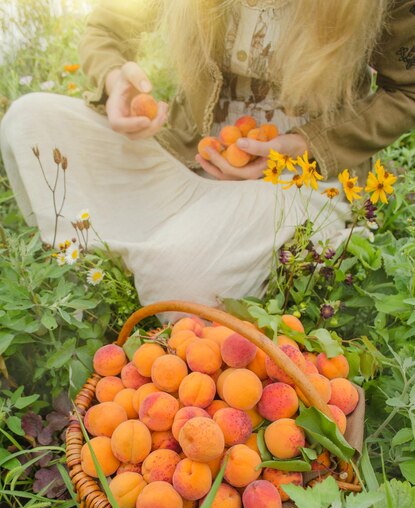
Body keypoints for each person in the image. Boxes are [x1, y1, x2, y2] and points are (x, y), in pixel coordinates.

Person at [1, 0, 414, 308]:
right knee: (29, 121)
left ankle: (163, 253)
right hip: (184, 158)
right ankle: (174, 244)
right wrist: (115, 79)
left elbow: (407, 91)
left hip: (296, 179)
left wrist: (305, 144)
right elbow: (107, 26)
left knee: (180, 279)